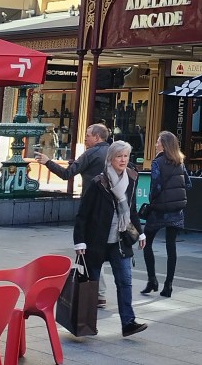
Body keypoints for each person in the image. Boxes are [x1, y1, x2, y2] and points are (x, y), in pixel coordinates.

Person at [73, 140, 148, 338]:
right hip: (96, 240)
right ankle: (86, 324)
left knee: (125, 282)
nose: (123, 160)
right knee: (91, 284)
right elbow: (83, 215)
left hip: (120, 241)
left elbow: (130, 209)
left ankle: (128, 323)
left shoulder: (131, 178)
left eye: (126, 156)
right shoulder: (98, 183)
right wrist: (79, 242)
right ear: (111, 158)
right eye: (119, 156)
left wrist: (140, 232)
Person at [36, 122, 111, 306]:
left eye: (88, 135)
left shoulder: (90, 153)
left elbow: (66, 174)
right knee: (99, 248)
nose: (85, 138)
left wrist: (48, 162)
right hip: (109, 207)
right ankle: (99, 291)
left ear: (97, 137)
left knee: (88, 248)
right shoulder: (113, 152)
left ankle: (96, 292)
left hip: (90, 206)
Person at [140, 131, 191, 299]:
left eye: (157, 142)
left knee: (146, 242)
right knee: (171, 246)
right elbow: (188, 184)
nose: (155, 145)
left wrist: (152, 200)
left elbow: (156, 187)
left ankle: (152, 279)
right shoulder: (180, 162)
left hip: (159, 210)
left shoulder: (157, 162)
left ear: (164, 145)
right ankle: (168, 285)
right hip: (176, 210)